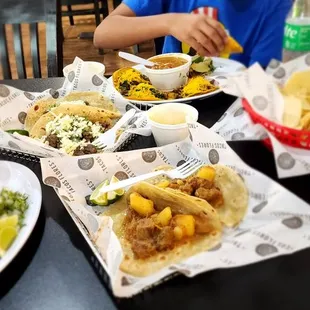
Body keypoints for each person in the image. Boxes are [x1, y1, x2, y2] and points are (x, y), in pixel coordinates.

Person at [94, 0, 292, 67]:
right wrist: (169, 22)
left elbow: (263, 82)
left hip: (234, 113)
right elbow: (103, 34)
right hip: (170, 103)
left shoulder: (279, 6)